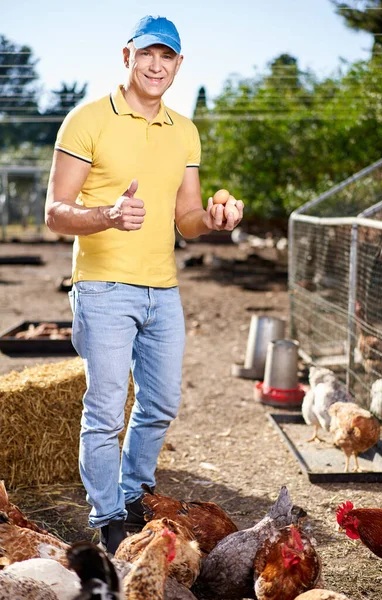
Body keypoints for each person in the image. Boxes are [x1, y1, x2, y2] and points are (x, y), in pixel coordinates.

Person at [45, 14, 244, 555]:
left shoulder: (184, 129)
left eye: (168, 56)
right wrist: (107, 215)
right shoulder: (87, 119)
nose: (157, 65)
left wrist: (218, 220)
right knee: (107, 409)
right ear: (127, 55)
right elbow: (55, 214)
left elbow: (187, 218)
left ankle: (134, 493)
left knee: (159, 404)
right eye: (148, 54)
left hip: (163, 290)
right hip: (104, 286)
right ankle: (108, 514)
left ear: (179, 64)